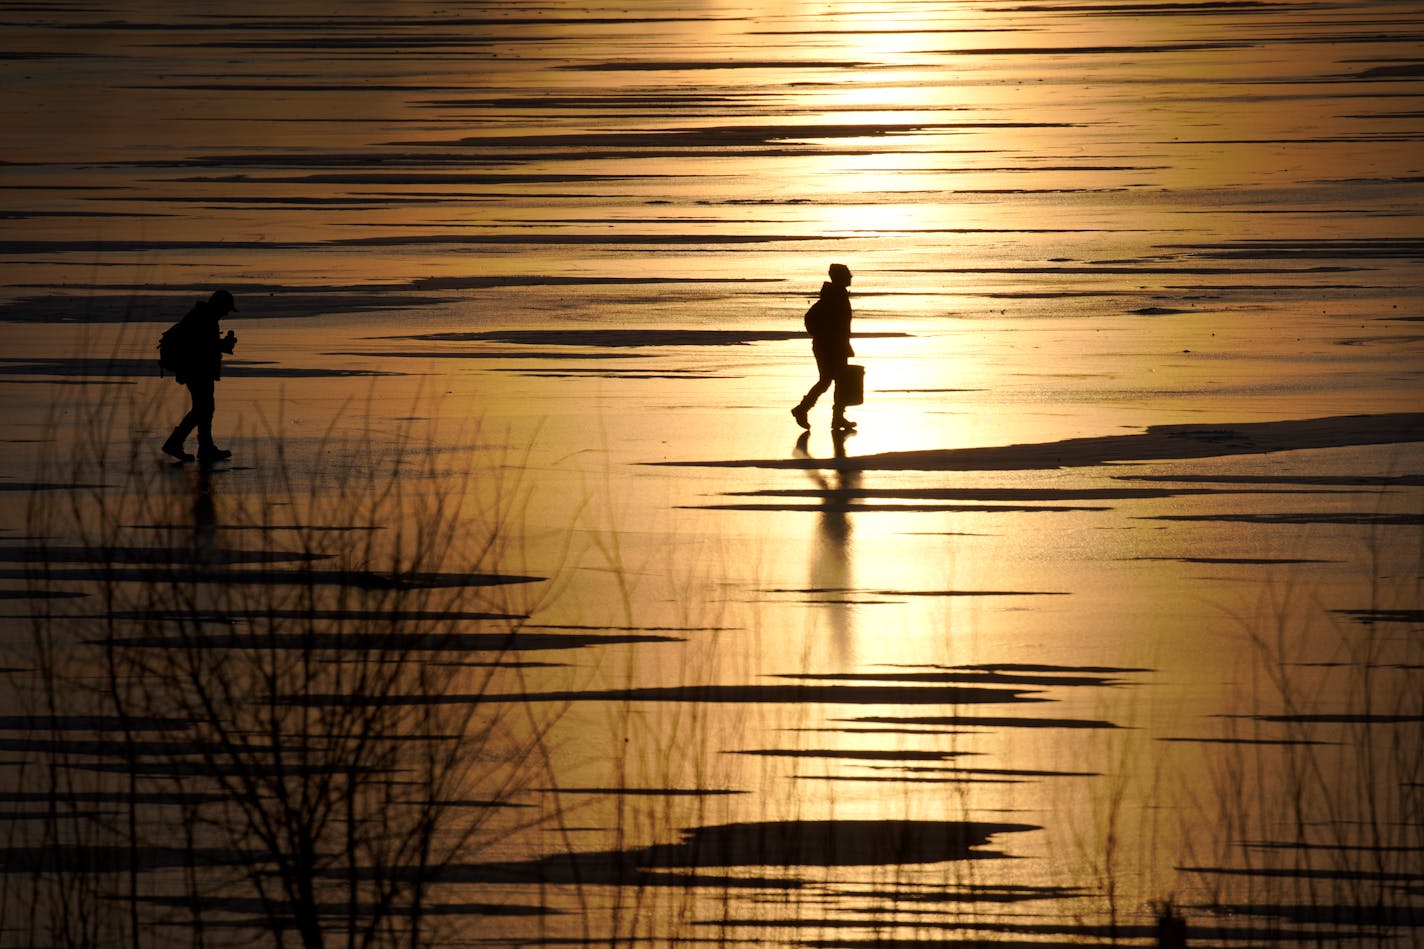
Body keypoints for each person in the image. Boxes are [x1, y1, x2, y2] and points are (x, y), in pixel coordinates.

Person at [161, 289, 238, 464]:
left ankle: (205, 447)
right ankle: (177, 444)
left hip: (197, 369)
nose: (226, 313)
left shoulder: (204, 316)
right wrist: (223, 345)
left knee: (205, 408)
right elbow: (203, 346)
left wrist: (221, 345)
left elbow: (205, 344)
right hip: (196, 370)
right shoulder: (205, 318)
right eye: (226, 308)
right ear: (219, 305)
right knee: (202, 409)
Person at [791, 263, 856, 431]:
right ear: (840, 277)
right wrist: (826, 339)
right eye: (848, 274)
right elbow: (816, 320)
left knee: (834, 381)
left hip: (835, 346)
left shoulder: (837, 295)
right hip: (829, 347)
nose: (851, 277)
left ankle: (836, 417)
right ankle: (803, 410)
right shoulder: (834, 297)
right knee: (828, 380)